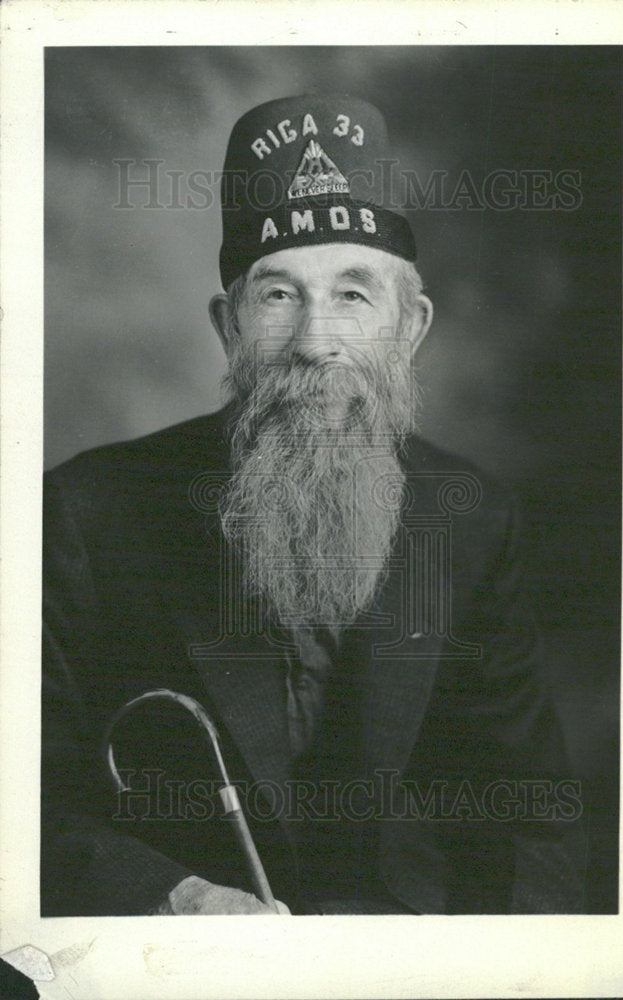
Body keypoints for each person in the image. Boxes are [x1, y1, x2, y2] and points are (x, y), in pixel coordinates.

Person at [42, 94, 586, 916]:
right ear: (229, 327)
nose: (313, 341)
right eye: (277, 296)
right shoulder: (89, 514)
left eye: (353, 296)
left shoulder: (471, 521)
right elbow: (26, 797)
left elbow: (528, 817)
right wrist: (171, 897)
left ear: (410, 327)